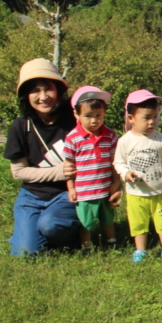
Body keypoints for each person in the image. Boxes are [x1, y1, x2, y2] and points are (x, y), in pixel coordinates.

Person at [5, 59, 82, 255]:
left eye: (48, 89)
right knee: (25, 253)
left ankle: (71, 235)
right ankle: (30, 237)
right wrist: (57, 172)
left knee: (51, 225)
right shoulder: (21, 126)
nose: (43, 97)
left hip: (69, 194)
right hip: (31, 196)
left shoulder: (76, 119)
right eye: (35, 91)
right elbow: (18, 172)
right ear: (26, 95)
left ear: (58, 90)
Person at [113, 90, 162, 263]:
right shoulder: (125, 141)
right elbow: (118, 163)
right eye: (147, 117)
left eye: (156, 117)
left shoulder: (160, 139)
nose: (152, 122)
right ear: (131, 119)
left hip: (158, 191)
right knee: (138, 223)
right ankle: (140, 250)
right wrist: (126, 173)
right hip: (136, 193)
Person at [60, 86, 121, 252]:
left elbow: (114, 161)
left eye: (98, 115)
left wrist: (116, 182)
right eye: (88, 116)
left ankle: (112, 241)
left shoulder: (110, 135)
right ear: (76, 115)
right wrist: (71, 187)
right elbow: (70, 167)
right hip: (85, 190)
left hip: (105, 187)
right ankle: (87, 245)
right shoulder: (73, 138)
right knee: (87, 221)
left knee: (107, 218)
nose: (94, 121)